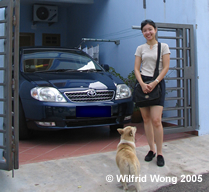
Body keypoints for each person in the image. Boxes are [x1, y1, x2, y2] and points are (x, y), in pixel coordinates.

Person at [134, 19, 170, 167]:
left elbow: (166, 67)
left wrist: (155, 82)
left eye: (150, 29)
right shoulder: (140, 48)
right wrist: (142, 84)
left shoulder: (163, 47)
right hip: (143, 83)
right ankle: (151, 149)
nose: (147, 32)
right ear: (142, 33)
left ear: (155, 30)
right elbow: (136, 68)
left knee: (156, 120)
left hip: (157, 83)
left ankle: (160, 152)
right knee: (146, 119)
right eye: (144, 30)